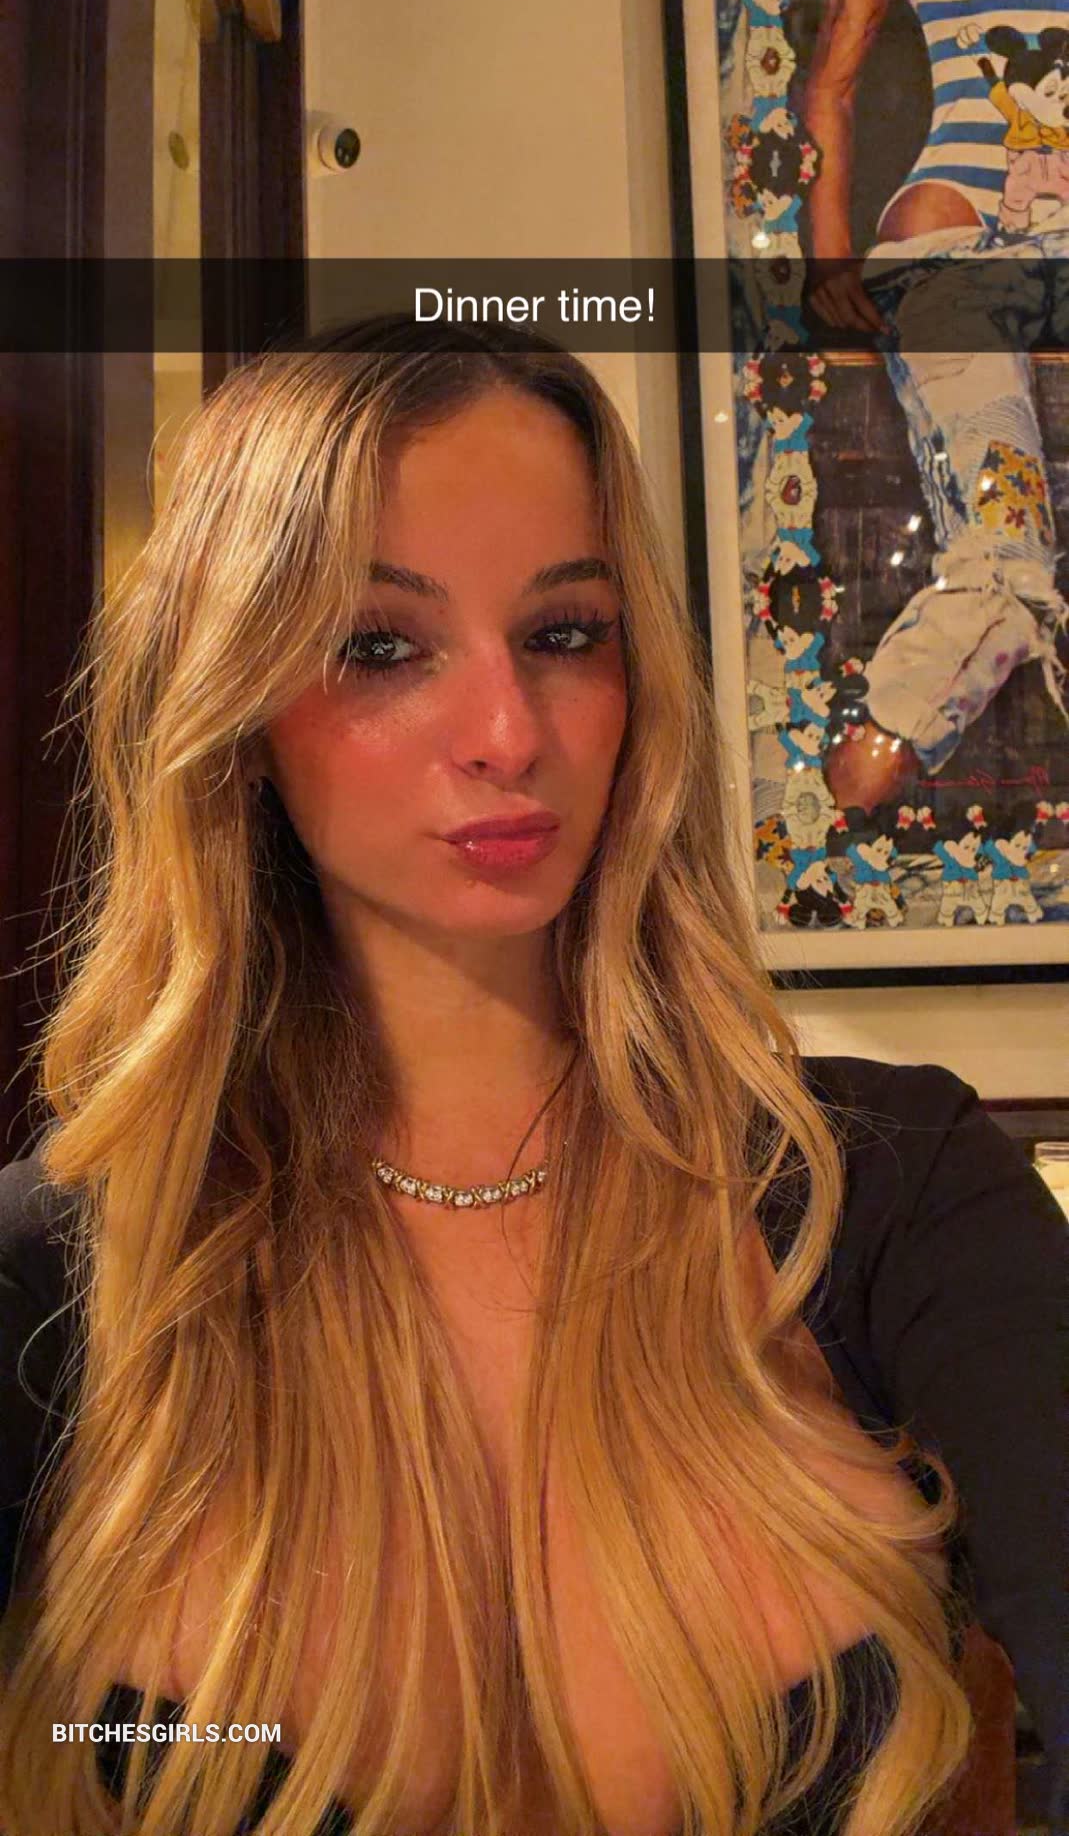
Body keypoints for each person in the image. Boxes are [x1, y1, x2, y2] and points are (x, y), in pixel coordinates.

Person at [0, 315, 1064, 1836]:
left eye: (565, 634)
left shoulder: (895, 1199)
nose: (508, 733)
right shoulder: (56, 1280)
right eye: (380, 646)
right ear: (238, 715)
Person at [802, 0, 1069, 813]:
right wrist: (829, 260)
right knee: (1003, 562)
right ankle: (835, 814)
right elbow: (831, 89)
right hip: (952, 253)